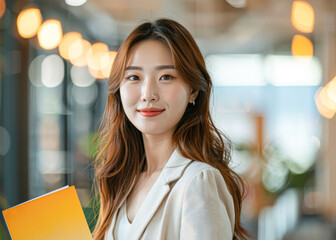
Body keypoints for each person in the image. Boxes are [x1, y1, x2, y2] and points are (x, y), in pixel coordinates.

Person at [92, 18, 249, 240]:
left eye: (166, 77)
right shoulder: (123, 181)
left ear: (193, 90)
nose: (148, 93)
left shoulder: (198, 181)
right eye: (134, 77)